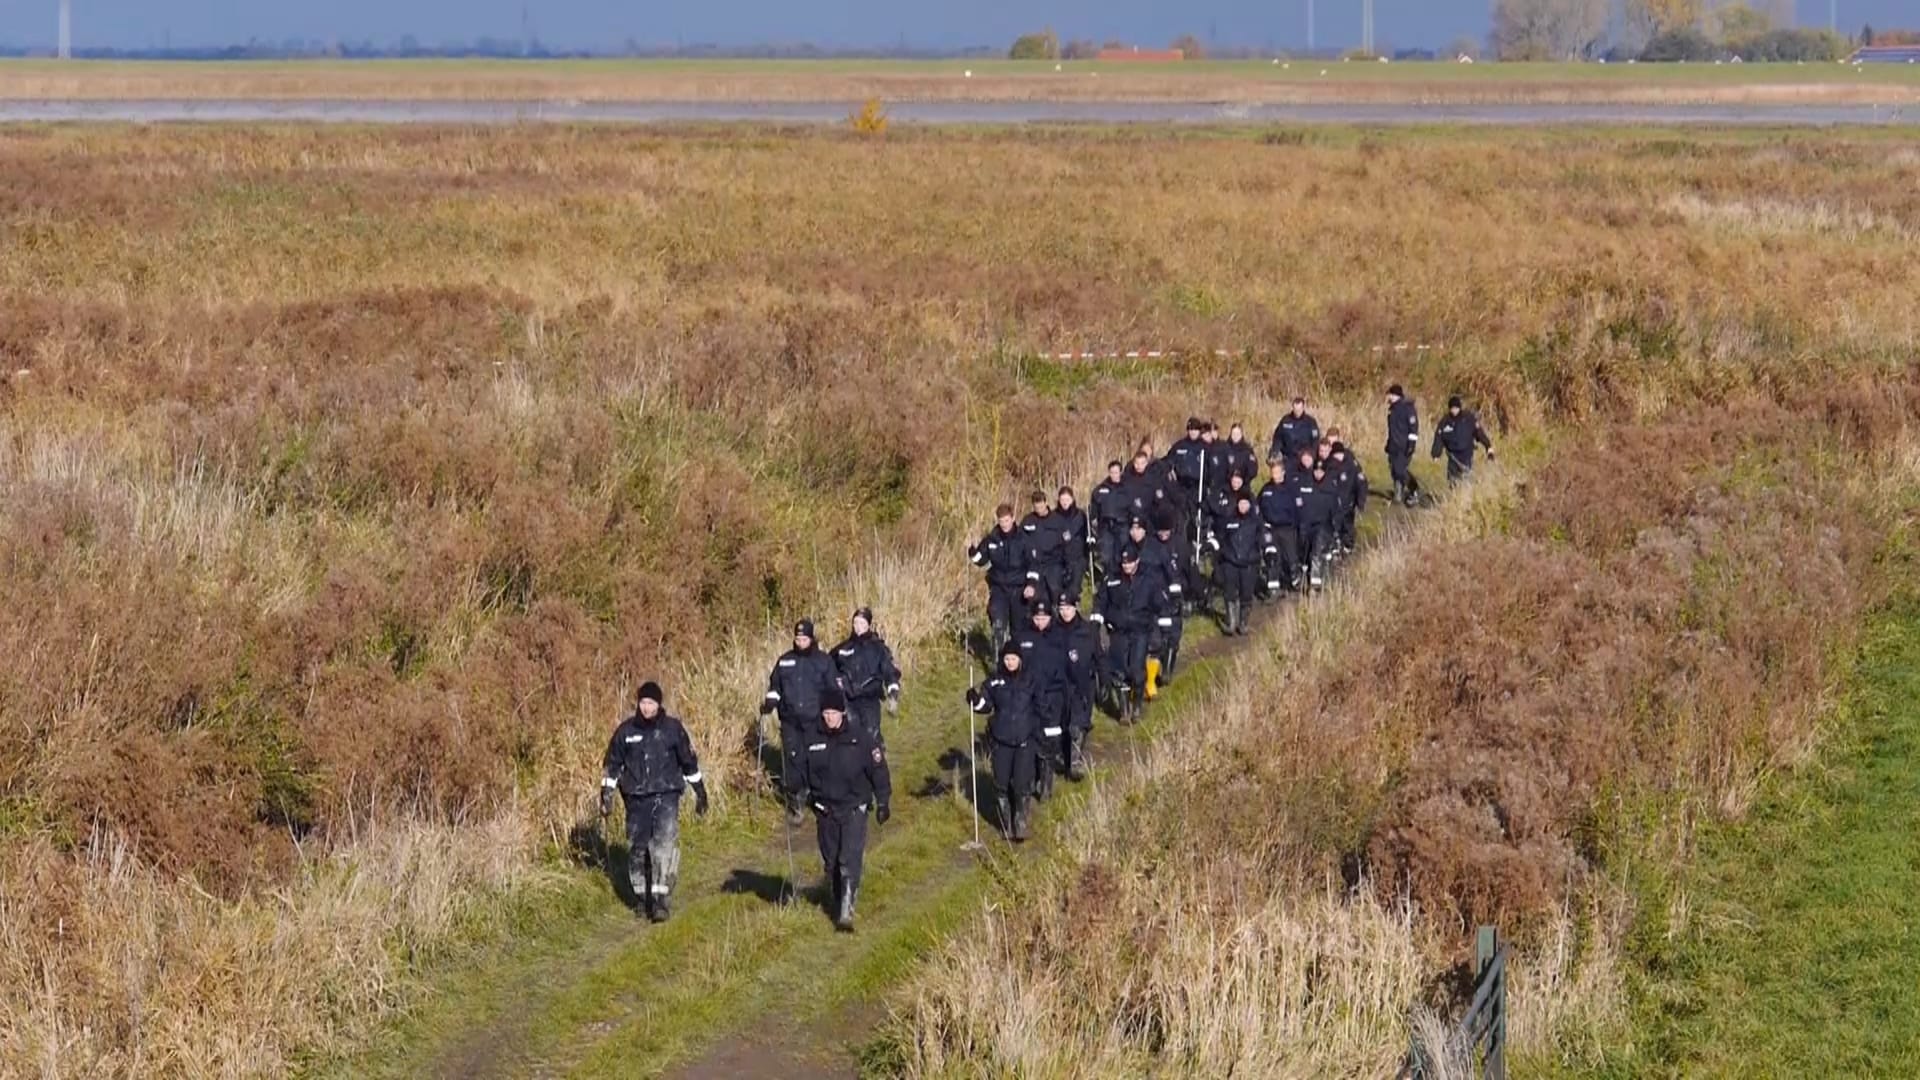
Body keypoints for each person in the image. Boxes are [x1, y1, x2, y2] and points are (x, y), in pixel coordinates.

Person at [600, 681, 708, 923]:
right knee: (638, 850)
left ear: (659, 705)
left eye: (651, 703)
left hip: (667, 794)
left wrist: (700, 792)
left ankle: (661, 902)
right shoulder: (625, 732)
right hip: (635, 799)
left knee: (663, 846)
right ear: (638, 703)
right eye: (643, 702)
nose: (647, 708)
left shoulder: (672, 730)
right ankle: (642, 898)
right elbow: (613, 766)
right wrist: (606, 796)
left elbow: (689, 763)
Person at [803, 688, 891, 931]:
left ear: (843, 712)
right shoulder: (812, 740)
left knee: (847, 860)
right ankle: (837, 897)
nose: (829, 717)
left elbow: (879, 770)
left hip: (854, 807)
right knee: (831, 863)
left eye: (833, 712)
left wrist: (883, 801)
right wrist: (800, 793)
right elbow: (802, 771)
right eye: (826, 713)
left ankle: (846, 912)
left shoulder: (861, 738)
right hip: (825, 810)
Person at [761, 619, 841, 826]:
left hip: (816, 722)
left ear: (811, 638)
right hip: (791, 723)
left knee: (817, 763)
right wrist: (770, 704)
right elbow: (775, 687)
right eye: (797, 638)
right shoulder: (784, 662)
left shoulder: (823, 662)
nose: (800, 642)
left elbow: (833, 691)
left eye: (804, 638)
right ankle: (797, 803)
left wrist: (833, 717)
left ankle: (822, 801)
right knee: (793, 764)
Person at [966, 643, 1041, 843]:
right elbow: (985, 706)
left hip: (1025, 741)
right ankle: (1006, 822)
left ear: (1020, 660)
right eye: (1007, 659)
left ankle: (1021, 821)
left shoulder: (1030, 681)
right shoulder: (994, 683)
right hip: (1001, 740)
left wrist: (1042, 732)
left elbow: (1041, 706)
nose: (1010, 663)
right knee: (1001, 783)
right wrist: (975, 701)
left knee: (1021, 784)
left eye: (1013, 659)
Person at [1093, 548, 1165, 724]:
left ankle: (1137, 707)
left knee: (1136, 671)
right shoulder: (1111, 580)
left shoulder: (1148, 581)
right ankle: (1124, 712)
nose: (1126, 566)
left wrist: (1161, 623)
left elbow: (1159, 604)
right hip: (1117, 631)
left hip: (1140, 631)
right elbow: (1101, 601)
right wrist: (1096, 621)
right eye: (1124, 563)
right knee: (1118, 672)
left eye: (1130, 562)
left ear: (1137, 562)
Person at [1010, 603, 1068, 801]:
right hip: (1029, 697)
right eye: (1037, 618)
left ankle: (1046, 784)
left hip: (1054, 696)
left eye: (1044, 618)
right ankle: (1032, 777)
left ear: (1050, 618)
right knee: (1032, 737)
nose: (1040, 622)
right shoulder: (1022, 637)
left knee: (1050, 739)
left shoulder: (1059, 636)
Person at [832, 606, 901, 747]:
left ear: (869, 625)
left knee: (871, 737)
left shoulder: (878, 648)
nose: (858, 627)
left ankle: (877, 763)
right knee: (850, 738)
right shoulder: (843, 648)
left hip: (869, 699)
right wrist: (836, 682)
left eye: (862, 623)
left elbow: (888, 669)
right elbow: (828, 668)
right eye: (855, 623)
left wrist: (893, 690)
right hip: (848, 701)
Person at [968, 504, 1033, 652]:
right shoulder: (992, 539)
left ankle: (1019, 662)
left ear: (1013, 518)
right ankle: (998, 661)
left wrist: (1031, 584)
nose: (1004, 524)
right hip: (998, 588)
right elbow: (981, 560)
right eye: (1001, 521)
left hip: (1019, 588)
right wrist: (972, 553)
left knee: (1019, 628)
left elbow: (1032, 564)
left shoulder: (1023, 539)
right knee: (997, 625)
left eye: (1007, 520)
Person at [1054, 593, 1098, 781]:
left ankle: (1075, 763)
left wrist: (1103, 679)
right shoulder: (1052, 631)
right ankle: (1063, 757)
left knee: (1077, 726)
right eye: (1062, 609)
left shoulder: (1087, 631)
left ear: (1076, 608)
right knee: (1062, 726)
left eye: (1068, 608)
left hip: (1082, 685)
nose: (1065, 613)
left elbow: (1099, 656)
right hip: (1059, 686)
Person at [1208, 490, 1262, 636]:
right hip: (1230, 561)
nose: (1243, 506)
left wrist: (1262, 554)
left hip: (1249, 562)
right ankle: (1231, 622)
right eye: (1240, 503)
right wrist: (1217, 549)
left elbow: (1261, 540)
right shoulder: (1229, 519)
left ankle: (1243, 622)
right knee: (1230, 592)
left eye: (1246, 503)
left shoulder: (1255, 522)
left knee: (1246, 593)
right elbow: (1220, 538)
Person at [1258, 460, 1301, 596]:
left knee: (1291, 558)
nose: (1274, 475)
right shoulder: (1266, 489)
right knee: (1273, 557)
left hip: (1287, 529)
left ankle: (1295, 581)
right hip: (1271, 529)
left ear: (1283, 472)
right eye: (1272, 472)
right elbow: (1258, 507)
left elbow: (1298, 509)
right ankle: (1273, 589)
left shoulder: (1291, 489)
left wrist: (1295, 525)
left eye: (1277, 472)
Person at [1295, 462, 1339, 591]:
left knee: (1316, 552)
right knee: (1303, 553)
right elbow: (1298, 503)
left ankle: (1315, 584)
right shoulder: (1305, 484)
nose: (1318, 473)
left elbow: (1335, 509)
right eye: (1316, 471)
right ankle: (1303, 578)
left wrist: (1334, 527)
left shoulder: (1330, 487)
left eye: (1321, 471)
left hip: (1322, 525)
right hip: (1305, 524)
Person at [1432, 395, 1496, 484]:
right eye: (1452, 408)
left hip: (1466, 454)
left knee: (1465, 478)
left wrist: (1488, 446)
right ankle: (1454, 495)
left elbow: (1479, 433)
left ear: (1459, 408)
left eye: (1456, 408)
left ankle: (1465, 494)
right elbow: (1439, 438)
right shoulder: (1445, 421)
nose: (1454, 410)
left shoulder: (1468, 418)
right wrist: (1436, 454)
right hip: (1452, 455)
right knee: (1452, 480)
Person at [1090, 462, 1132, 579]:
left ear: (1120, 472)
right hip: (1105, 527)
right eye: (1112, 472)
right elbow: (1093, 511)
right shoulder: (1100, 490)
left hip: (1122, 525)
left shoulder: (1127, 488)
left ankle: (1122, 580)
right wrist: (1094, 523)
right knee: (1106, 556)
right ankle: (1108, 579)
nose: (1114, 475)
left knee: (1122, 555)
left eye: (1116, 472)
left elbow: (1132, 509)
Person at [1327, 441, 1369, 555]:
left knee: (1348, 526)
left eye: (1339, 455)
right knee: (1334, 526)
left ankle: (1348, 547)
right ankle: (1336, 546)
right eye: (1336, 456)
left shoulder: (1351, 465)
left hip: (1349, 503)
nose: (1338, 458)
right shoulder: (1329, 467)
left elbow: (1361, 483)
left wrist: (1360, 502)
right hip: (1334, 505)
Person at [1385, 384, 1423, 507]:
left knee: (1400, 470)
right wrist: (1388, 443)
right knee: (1394, 470)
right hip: (1393, 446)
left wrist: (1411, 444)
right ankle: (1398, 494)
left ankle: (1414, 488)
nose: (1388, 397)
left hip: (1404, 446)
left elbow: (1413, 428)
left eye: (1389, 394)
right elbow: (1392, 430)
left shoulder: (1407, 408)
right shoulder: (1392, 409)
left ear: (1394, 395)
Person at [1055, 486, 1092, 605]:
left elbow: (1087, 533)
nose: (1065, 503)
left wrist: (1090, 541)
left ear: (1072, 499)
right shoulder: (1054, 516)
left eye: (1067, 499)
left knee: (1074, 589)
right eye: (1062, 500)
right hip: (1060, 558)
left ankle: (1075, 608)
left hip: (1077, 557)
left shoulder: (1080, 515)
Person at [1269, 397, 1321, 465]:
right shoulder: (1285, 420)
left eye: (1299, 410)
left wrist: (1311, 456)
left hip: (1304, 459)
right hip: (1288, 457)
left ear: (1303, 408)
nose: (1297, 412)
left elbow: (1315, 441)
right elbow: (1278, 438)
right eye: (1295, 410)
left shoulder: (1310, 422)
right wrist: (1275, 451)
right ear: (1293, 408)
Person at [1222, 423, 1259, 488]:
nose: (1235, 436)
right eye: (1234, 433)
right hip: (1227, 486)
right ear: (1230, 434)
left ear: (1241, 434)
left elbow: (1253, 470)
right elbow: (1220, 468)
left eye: (1238, 434)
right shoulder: (1224, 448)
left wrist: (1242, 480)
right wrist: (1230, 479)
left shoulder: (1247, 450)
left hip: (1243, 486)